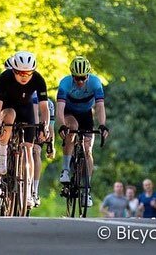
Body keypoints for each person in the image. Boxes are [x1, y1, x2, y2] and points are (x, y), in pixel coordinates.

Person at [0, 51, 50, 212]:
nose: (24, 76)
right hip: (7, 107)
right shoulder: (5, 78)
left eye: (28, 73)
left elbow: (44, 109)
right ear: (14, 71)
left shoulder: (38, 79)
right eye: (20, 73)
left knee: (29, 149)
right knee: (9, 116)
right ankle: (3, 151)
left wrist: (44, 126)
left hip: (26, 109)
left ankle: (29, 190)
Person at [56, 55, 109, 208]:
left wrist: (103, 124)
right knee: (72, 128)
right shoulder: (65, 84)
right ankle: (65, 169)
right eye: (77, 78)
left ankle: (86, 190)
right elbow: (60, 108)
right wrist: (62, 125)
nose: (80, 81)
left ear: (88, 75)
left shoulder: (95, 83)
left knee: (87, 151)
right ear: (72, 76)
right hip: (69, 112)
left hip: (86, 114)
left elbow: (99, 106)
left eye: (83, 78)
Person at [31, 96, 55, 206]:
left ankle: (34, 190)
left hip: (38, 129)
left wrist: (51, 145)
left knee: (36, 151)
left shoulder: (48, 104)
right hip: (24, 122)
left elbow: (50, 126)